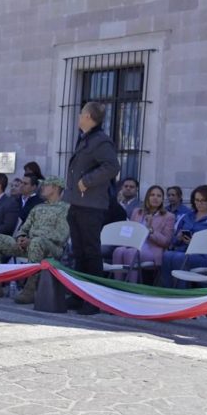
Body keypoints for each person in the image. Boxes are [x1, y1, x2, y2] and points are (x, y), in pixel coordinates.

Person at [64, 101, 120, 314]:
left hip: (92, 205)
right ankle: (79, 296)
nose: (78, 117)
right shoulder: (86, 138)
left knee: (91, 252)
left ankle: (94, 300)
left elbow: (112, 166)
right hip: (77, 203)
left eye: (81, 114)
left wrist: (87, 181)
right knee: (78, 252)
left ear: (88, 116)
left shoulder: (100, 140)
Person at [0, 176, 71, 301]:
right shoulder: (38, 208)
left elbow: (61, 236)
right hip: (29, 245)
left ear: (55, 188)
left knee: (36, 242)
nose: (42, 188)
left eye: (46, 185)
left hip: (51, 248)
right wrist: (21, 237)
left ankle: (30, 290)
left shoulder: (66, 209)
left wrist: (33, 240)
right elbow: (24, 228)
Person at [160, 185, 207, 288]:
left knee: (179, 258)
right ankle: (166, 290)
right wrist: (178, 237)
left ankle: (181, 292)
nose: (199, 203)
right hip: (183, 251)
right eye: (197, 200)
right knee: (166, 255)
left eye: (203, 200)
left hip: (205, 257)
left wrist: (196, 244)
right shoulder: (188, 216)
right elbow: (173, 241)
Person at [111, 185, 175, 284]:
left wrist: (150, 229)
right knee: (118, 251)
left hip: (151, 250)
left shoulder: (168, 216)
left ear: (162, 199)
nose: (155, 198)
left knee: (131, 252)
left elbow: (166, 242)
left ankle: (131, 287)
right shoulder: (137, 212)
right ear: (147, 197)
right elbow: (131, 232)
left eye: (159, 196)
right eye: (152, 195)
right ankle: (118, 285)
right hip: (133, 246)